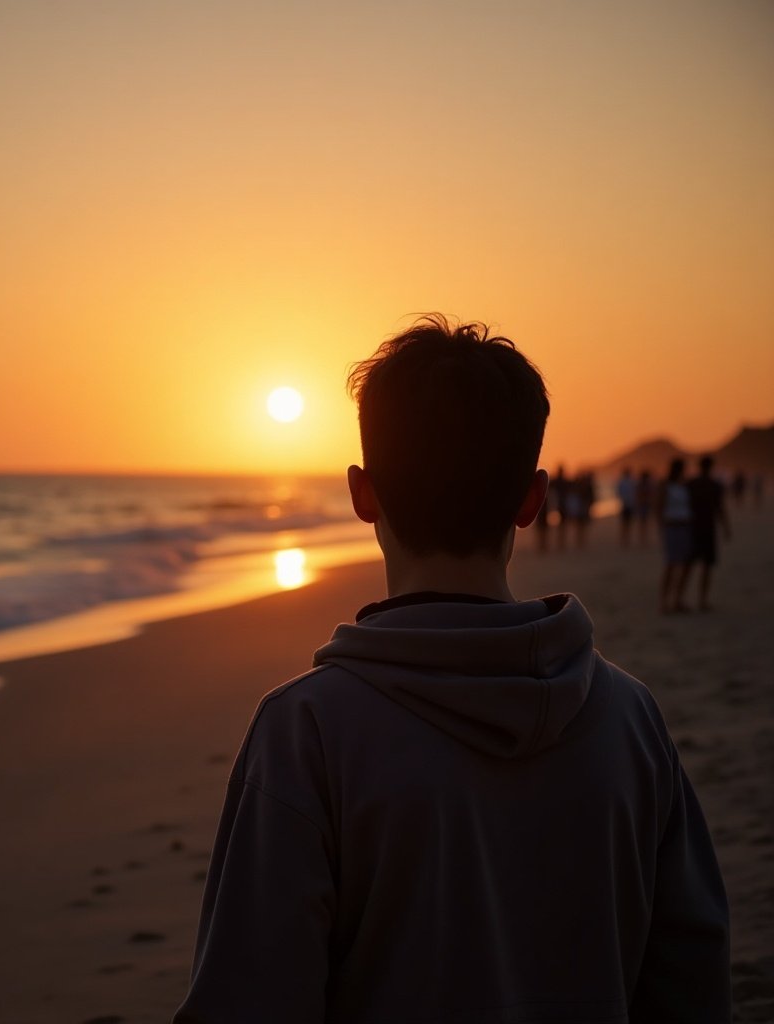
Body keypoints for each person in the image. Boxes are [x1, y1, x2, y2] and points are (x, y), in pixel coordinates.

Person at [173, 315, 730, 1024]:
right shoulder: (630, 717)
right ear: (533, 500)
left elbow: (248, 995)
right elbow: (692, 971)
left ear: (361, 494)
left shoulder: (306, 731)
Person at [686, 455, 731, 611]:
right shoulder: (714, 485)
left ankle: (680, 598)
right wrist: (726, 527)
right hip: (708, 528)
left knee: (689, 565)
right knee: (706, 566)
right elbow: (720, 508)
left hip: (693, 528)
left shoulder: (691, 484)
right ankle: (702, 600)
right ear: (711, 467)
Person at [657, 458, 694, 614]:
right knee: (671, 564)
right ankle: (664, 602)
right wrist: (661, 528)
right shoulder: (666, 486)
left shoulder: (685, 486)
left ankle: (678, 599)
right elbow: (659, 507)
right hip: (672, 527)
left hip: (685, 527)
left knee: (686, 564)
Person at [616, 466, 637, 546]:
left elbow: (618, 493)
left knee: (625, 523)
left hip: (625, 504)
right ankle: (625, 540)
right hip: (628, 504)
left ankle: (624, 540)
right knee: (627, 523)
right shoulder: (631, 482)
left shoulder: (623, 482)